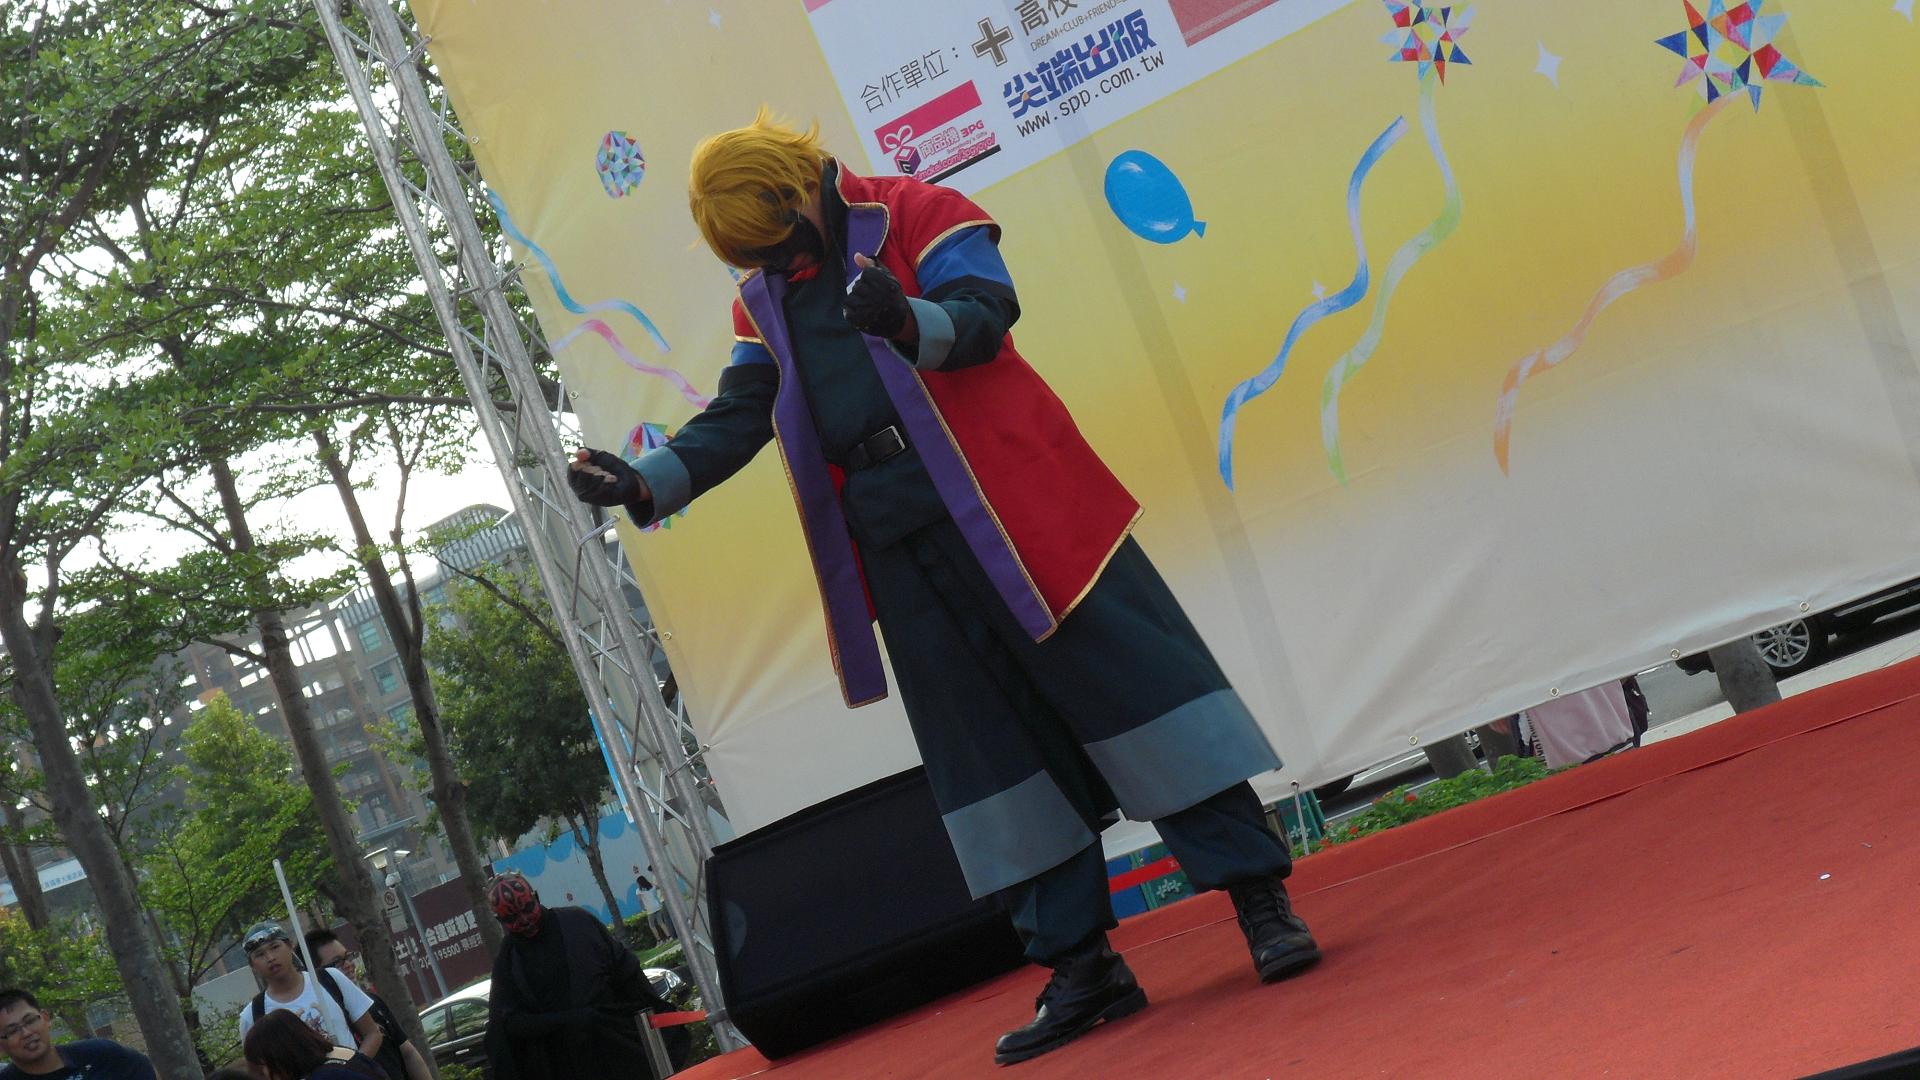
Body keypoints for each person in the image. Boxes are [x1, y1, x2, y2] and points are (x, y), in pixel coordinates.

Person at [568, 110, 1319, 1065]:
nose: (773, 266)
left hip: (1018, 513)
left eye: (775, 243)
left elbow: (987, 313)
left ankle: (1259, 901)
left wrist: (904, 319)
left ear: (798, 189)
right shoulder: (762, 301)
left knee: (1141, 695)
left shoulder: (915, 212)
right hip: (901, 550)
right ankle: (1082, 967)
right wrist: (643, 482)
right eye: (752, 258)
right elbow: (741, 412)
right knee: (988, 758)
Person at [481, 873, 675, 1080]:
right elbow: (508, 1023)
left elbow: (627, 974)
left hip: (617, 1048)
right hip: (562, 1066)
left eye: (528, 908)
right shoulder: (508, 960)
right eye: (512, 918)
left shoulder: (577, 923)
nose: (524, 920)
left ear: (536, 897)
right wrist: (566, 1021)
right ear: (500, 920)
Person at [236, 923, 383, 1061]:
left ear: (290, 946)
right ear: (252, 965)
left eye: (275, 947)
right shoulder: (252, 1015)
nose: (270, 958)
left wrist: (356, 1067)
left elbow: (372, 1033)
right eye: (260, 954)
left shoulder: (330, 979)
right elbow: (257, 1069)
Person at [305, 929, 431, 1080]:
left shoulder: (373, 1003)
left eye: (348, 957)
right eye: (337, 962)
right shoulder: (320, 1022)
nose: (348, 965)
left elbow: (408, 1053)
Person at [0, 989, 154, 1079]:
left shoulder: (100, 1054)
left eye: (30, 1021)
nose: (26, 1033)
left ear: (45, 1018)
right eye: (12, 1031)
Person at [243, 1010, 384, 1080]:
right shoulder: (341, 1054)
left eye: (264, 1065)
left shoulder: (325, 1076)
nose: (265, 1075)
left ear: (280, 1055)